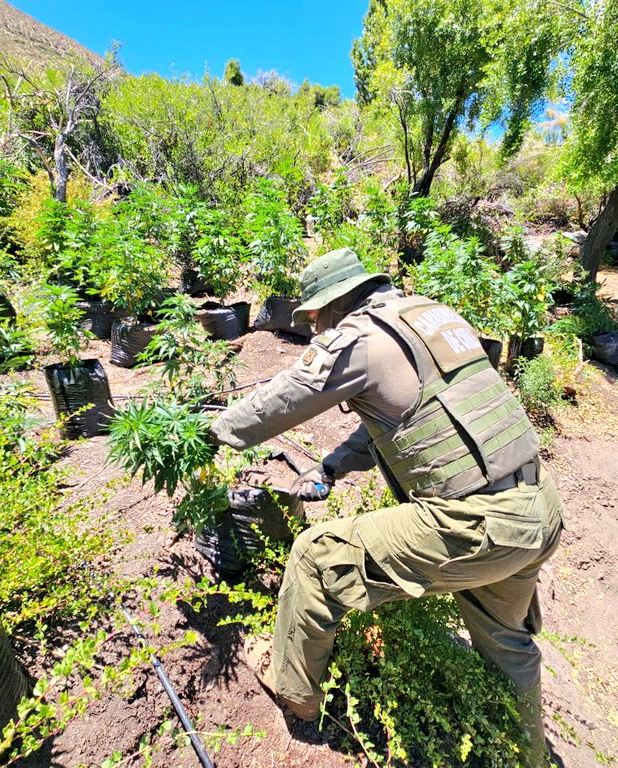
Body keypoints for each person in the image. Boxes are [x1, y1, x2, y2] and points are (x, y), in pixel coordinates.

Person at [209, 247, 563, 765]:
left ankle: (296, 693)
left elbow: (282, 398)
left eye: (315, 318)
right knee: (507, 643)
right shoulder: (429, 316)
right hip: (536, 511)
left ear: (333, 305)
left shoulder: (358, 336)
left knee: (315, 555)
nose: (314, 329)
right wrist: (329, 466)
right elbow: (405, 417)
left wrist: (213, 431)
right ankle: (525, 753)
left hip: (478, 524)